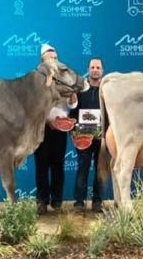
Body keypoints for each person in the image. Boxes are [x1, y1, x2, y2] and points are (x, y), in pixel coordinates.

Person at [34, 44, 77, 214]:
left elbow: (72, 104)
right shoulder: (36, 79)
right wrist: (46, 121)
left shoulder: (66, 77)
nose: (53, 60)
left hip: (61, 130)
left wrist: (73, 94)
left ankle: (57, 200)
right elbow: (34, 106)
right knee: (41, 166)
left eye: (55, 57)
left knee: (58, 166)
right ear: (43, 60)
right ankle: (41, 201)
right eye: (50, 57)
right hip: (41, 129)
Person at [71, 58, 105, 212]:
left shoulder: (107, 91)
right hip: (83, 137)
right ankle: (79, 203)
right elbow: (73, 113)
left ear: (102, 71)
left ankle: (97, 201)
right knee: (82, 169)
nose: (95, 70)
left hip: (102, 138)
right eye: (92, 67)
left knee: (100, 171)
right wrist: (73, 133)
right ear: (88, 70)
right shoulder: (80, 90)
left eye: (98, 67)